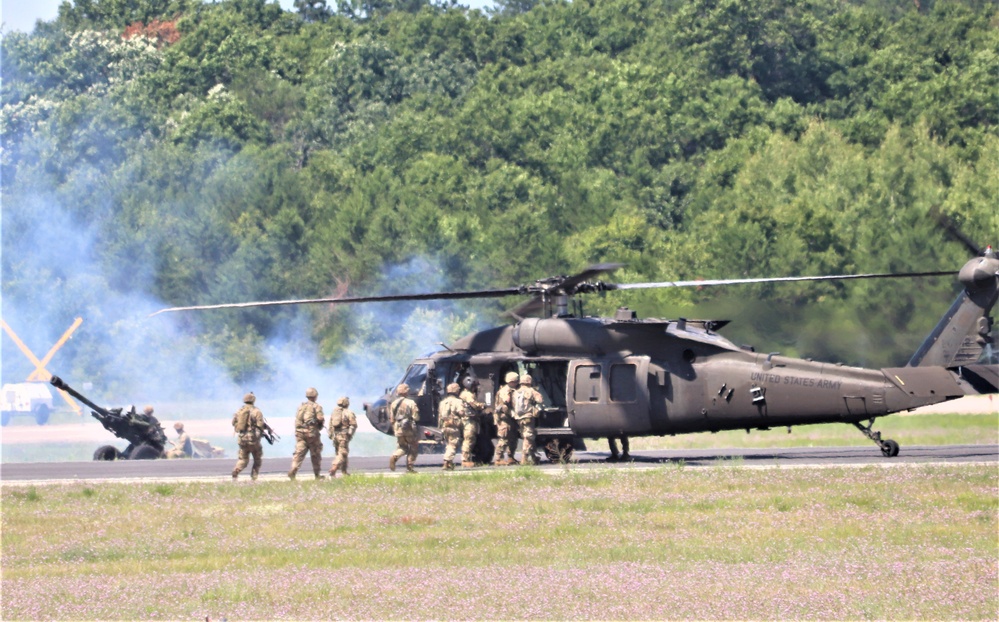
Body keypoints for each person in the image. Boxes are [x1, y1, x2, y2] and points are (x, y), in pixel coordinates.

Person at [288, 387, 325, 480]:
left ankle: (293, 470)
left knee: (299, 453)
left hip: (300, 433)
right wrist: (320, 425)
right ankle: (317, 475)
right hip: (311, 433)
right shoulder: (316, 406)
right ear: (315, 396)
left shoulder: (301, 406)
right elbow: (320, 418)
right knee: (315, 454)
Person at [232, 393, 265, 480]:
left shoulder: (239, 411)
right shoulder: (257, 411)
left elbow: (233, 423)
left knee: (243, 459)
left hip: (242, 438)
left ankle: (236, 470)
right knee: (257, 459)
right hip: (253, 439)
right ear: (253, 400)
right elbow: (260, 425)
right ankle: (254, 477)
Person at [388, 384, 420, 473]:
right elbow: (416, 417)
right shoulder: (411, 403)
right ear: (406, 391)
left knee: (402, 447)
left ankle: (395, 456)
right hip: (408, 428)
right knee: (413, 446)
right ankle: (410, 467)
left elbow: (392, 419)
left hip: (398, 428)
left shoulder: (394, 404)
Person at [514, 374, 543, 465]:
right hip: (528, 417)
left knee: (528, 436)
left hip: (519, 418)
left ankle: (534, 457)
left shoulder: (516, 392)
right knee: (528, 437)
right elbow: (540, 400)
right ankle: (524, 458)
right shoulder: (531, 391)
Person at [493, 371, 520, 466]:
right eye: (516, 381)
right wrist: (513, 414)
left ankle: (510, 457)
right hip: (504, 418)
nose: (517, 383)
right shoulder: (505, 391)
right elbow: (504, 405)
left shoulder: (513, 390)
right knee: (503, 438)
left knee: (513, 438)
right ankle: (498, 459)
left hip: (510, 419)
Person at [459, 376, 487, 468]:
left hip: (471, 419)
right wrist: (482, 405)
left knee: (471, 439)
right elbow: (474, 405)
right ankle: (465, 460)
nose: (476, 388)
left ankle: (468, 458)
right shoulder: (468, 395)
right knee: (469, 439)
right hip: (468, 420)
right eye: (474, 386)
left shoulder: (466, 393)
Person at [327, 396, 357, 478]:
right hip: (343, 436)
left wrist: (331, 435)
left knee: (340, 453)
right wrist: (349, 434)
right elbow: (353, 424)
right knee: (342, 454)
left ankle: (344, 471)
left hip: (336, 436)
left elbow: (330, 425)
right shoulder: (348, 412)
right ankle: (334, 468)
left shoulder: (334, 413)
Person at [438, 382, 464, 471]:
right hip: (454, 426)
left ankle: (449, 464)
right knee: (453, 444)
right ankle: (446, 461)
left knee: (448, 444)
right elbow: (461, 412)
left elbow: (439, 416)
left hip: (444, 426)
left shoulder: (442, 402)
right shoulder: (458, 401)